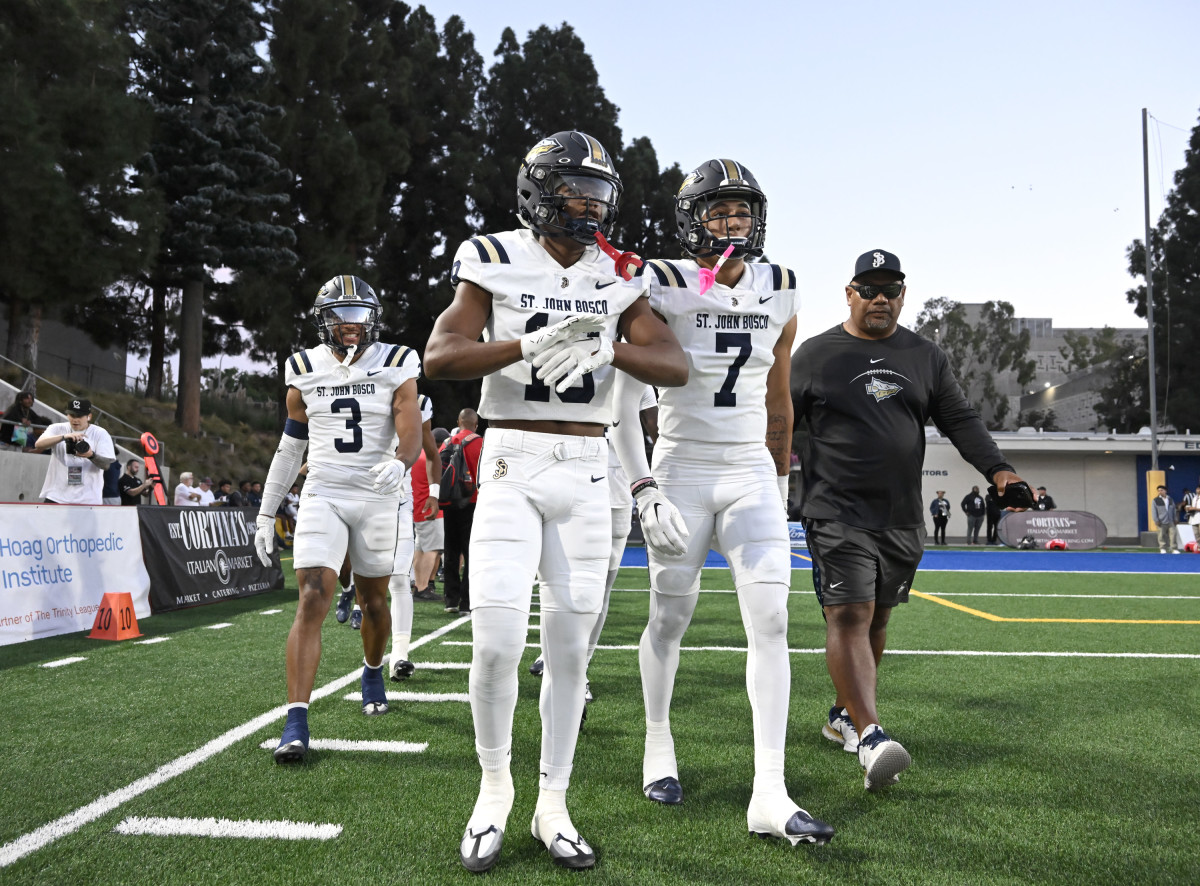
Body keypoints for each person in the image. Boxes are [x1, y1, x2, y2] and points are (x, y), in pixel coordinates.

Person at [424, 130, 687, 873]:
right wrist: (527, 343)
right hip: (511, 458)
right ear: (539, 189)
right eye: (575, 189)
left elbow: (673, 364)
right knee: (498, 643)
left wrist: (610, 350)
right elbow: (440, 357)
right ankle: (494, 789)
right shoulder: (493, 258)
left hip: (586, 465)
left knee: (569, 655)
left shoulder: (619, 272)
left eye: (599, 192)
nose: (589, 204)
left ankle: (554, 802)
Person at [608, 158, 832, 847]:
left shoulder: (785, 287)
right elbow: (621, 396)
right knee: (668, 613)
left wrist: (781, 476)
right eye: (718, 212)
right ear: (690, 220)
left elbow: (778, 394)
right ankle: (657, 742)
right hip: (680, 466)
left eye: (742, 212)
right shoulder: (661, 283)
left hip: (749, 472)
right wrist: (642, 487)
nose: (733, 223)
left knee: (770, 618)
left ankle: (770, 789)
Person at [791, 249, 1031, 792]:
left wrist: (999, 471)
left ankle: (842, 714)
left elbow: (960, 419)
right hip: (835, 510)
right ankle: (871, 735)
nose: (880, 299)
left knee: (877, 619)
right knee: (849, 613)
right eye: (869, 289)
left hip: (900, 516)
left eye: (891, 290)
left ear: (903, 295)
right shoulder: (815, 354)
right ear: (849, 293)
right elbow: (779, 421)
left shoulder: (925, 355)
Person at [254, 274, 423, 764]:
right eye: (340, 315)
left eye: (359, 315)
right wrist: (268, 510)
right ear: (323, 320)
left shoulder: (396, 360)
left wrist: (400, 461)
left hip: (376, 490)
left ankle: (373, 668)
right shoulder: (302, 367)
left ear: (374, 318)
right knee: (312, 594)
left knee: (373, 600)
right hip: (324, 488)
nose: (351, 325)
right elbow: (290, 448)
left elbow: (409, 426)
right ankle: (296, 720)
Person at [440, 408, 484, 614]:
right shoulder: (481, 444)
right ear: (476, 424)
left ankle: (450, 599)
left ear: (458, 421)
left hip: (450, 503)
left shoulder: (448, 443)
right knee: (470, 553)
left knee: (451, 551)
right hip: (473, 502)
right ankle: (467, 602)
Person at [34, 397, 117, 505]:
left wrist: (91, 455)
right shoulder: (57, 428)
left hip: (88, 499)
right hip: (56, 496)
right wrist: (63, 437)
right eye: (72, 415)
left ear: (89, 416)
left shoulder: (100, 433)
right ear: (67, 415)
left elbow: (106, 465)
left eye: (79, 416)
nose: (75, 419)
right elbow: (38, 444)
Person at [412, 426, 450, 602]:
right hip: (431, 509)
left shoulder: (417, 454)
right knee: (432, 550)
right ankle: (422, 587)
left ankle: (418, 586)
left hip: (419, 507)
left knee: (420, 549)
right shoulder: (432, 456)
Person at [1151, 485, 1181, 554]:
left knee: (1173, 534)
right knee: (1161, 535)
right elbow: (1154, 511)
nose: (1160, 492)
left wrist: (1175, 519)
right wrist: (1156, 520)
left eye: (1161, 490)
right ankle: (1162, 548)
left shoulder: (1170, 499)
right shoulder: (1155, 500)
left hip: (1170, 520)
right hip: (1161, 521)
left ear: (1165, 491)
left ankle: (1174, 548)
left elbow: (1174, 510)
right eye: (1158, 491)